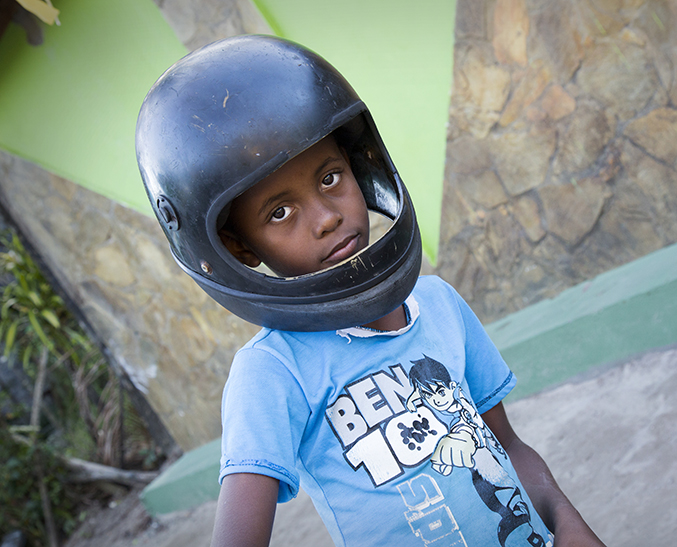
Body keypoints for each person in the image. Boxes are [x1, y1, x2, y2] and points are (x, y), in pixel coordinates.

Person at [136, 35, 605, 547]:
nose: (327, 217)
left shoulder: (439, 304)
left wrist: (566, 519)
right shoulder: (273, 371)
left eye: (330, 178)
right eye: (280, 212)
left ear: (360, 167)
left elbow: (507, 447)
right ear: (237, 247)